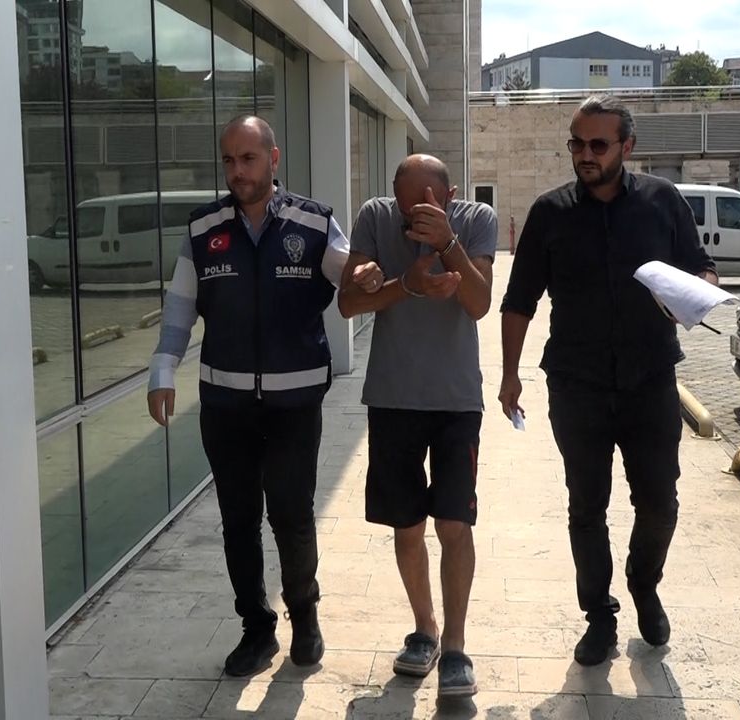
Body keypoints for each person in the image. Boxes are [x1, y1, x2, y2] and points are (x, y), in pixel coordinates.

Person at [498, 96, 717, 667]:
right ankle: (599, 615)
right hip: (578, 385)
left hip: (651, 381)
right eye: (577, 143)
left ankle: (644, 581)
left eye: (598, 144)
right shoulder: (550, 212)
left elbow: (701, 267)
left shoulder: (662, 202)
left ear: (627, 146)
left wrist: (695, 295)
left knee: (660, 502)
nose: (585, 154)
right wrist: (509, 376)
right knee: (586, 507)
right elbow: (518, 300)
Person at [146, 115, 348, 677]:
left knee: (292, 516)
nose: (238, 171)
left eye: (249, 159)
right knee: (238, 522)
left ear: (273, 159)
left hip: (293, 406)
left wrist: (380, 274)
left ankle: (305, 618)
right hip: (226, 406)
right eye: (229, 160)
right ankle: (256, 630)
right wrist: (163, 368)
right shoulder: (203, 228)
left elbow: (355, 276)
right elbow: (180, 307)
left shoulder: (314, 222)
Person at [338, 154, 497, 698]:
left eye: (424, 209)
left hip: (456, 400)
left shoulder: (475, 220)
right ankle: (424, 628)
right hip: (393, 397)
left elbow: (479, 303)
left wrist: (448, 242)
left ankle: (455, 645)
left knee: (454, 523)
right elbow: (348, 304)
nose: (411, 220)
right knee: (406, 526)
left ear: (448, 197)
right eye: (406, 209)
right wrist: (401, 283)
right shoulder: (375, 217)